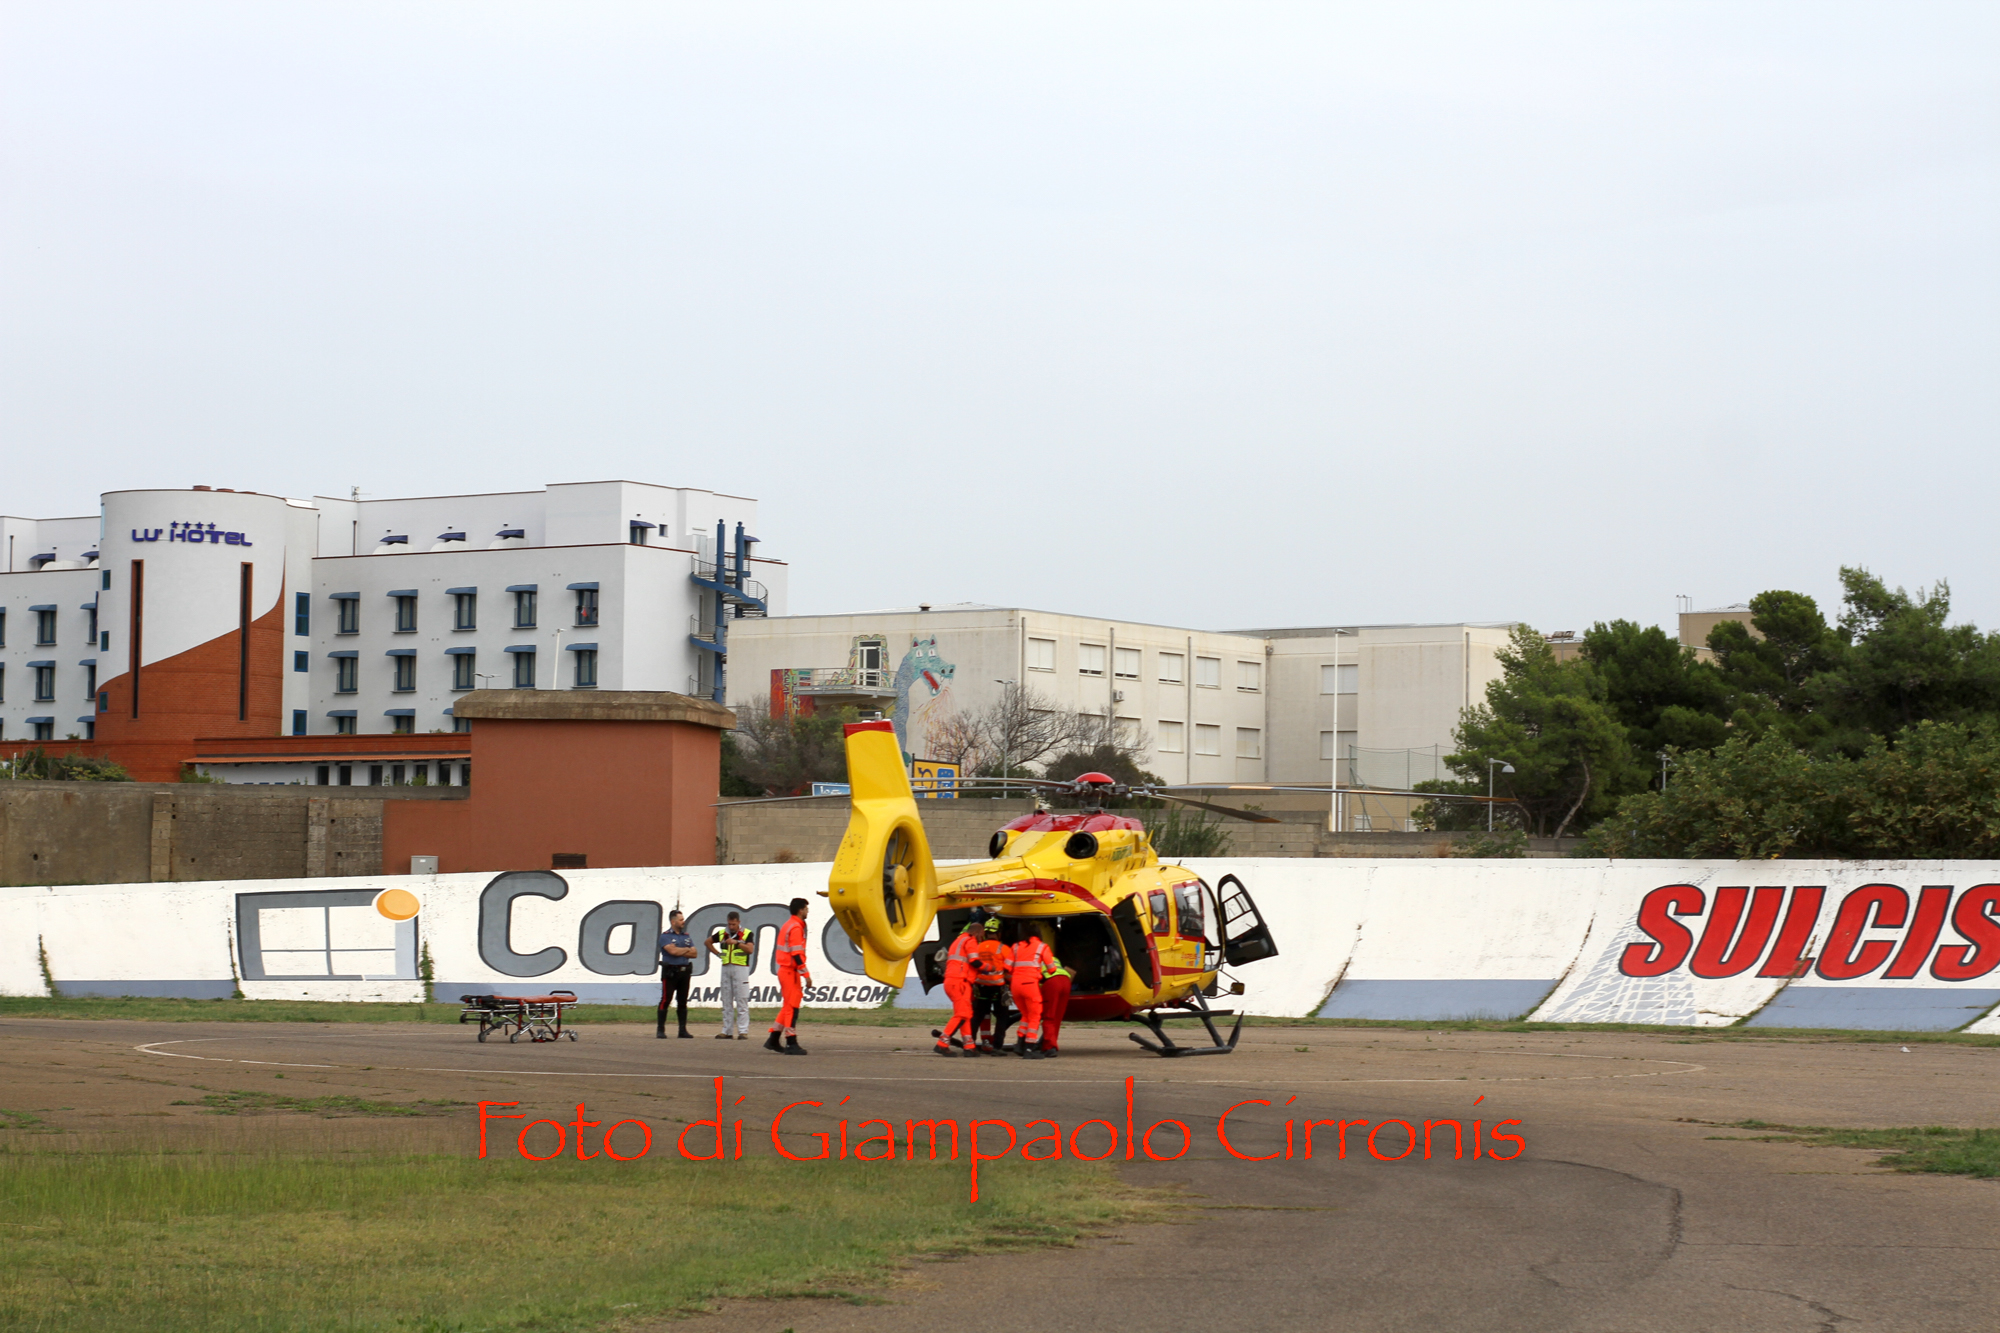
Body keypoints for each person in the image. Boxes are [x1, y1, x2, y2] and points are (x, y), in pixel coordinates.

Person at [764, 897, 812, 1055]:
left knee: (787, 1007)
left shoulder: (789, 924)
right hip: (790, 971)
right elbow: (796, 954)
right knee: (792, 1008)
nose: (807, 911)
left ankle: (773, 1038)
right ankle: (791, 1041)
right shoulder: (796, 927)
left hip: (786, 970)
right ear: (800, 910)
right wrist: (806, 974)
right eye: (806, 909)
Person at [932, 917, 984, 1057]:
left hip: (953, 981)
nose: (982, 938)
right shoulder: (970, 940)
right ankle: (942, 1044)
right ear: (977, 932)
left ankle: (969, 1046)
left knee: (965, 1014)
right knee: (961, 1015)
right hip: (960, 982)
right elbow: (975, 961)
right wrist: (989, 968)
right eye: (981, 935)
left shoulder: (958, 941)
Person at [708, 910, 756, 1040]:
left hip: (741, 968)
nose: (731, 927)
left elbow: (750, 949)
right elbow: (708, 942)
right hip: (726, 967)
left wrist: (737, 943)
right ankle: (727, 1030)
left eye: (733, 924)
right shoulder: (722, 933)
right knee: (726, 1000)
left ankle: (743, 1031)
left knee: (742, 1000)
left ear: (738, 922)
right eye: (729, 924)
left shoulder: (747, 933)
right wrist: (718, 954)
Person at [1009, 924, 1055, 1059]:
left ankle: (1020, 1044)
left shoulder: (1015, 946)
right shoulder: (1042, 947)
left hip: (1015, 985)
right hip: (1030, 985)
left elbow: (1007, 966)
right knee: (1035, 1016)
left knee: (1026, 1014)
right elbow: (1051, 968)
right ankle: (1029, 1048)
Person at [970, 917, 1012, 1052]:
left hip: (981, 986)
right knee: (1002, 1017)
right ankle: (997, 1045)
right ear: (999, 933)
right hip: (998, 987)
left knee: (978, 1016)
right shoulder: (1004, 948)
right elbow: (1009, 969)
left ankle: (970, 1042)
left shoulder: (977, 947)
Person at [655, 909, 697, 1039]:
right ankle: (660, 1029)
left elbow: (694, 953)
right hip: (671, 972)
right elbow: (672, 952)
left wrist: (680, 950)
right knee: (666, 999)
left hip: (684, 972)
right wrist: (686, 949)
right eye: (681, 920)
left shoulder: (686, 936)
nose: (683, 922)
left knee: (683, 1001)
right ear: (673, 922)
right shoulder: (665, 936)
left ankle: (682, 1030)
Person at [1038, 954, 1073, 1057]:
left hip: (1052, 982)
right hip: (1066, 981)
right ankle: (1051, 1043)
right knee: (1057, 1017)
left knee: (1049, 1016)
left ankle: (1049, 1047)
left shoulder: (1032, 959)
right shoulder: (1053, 958)